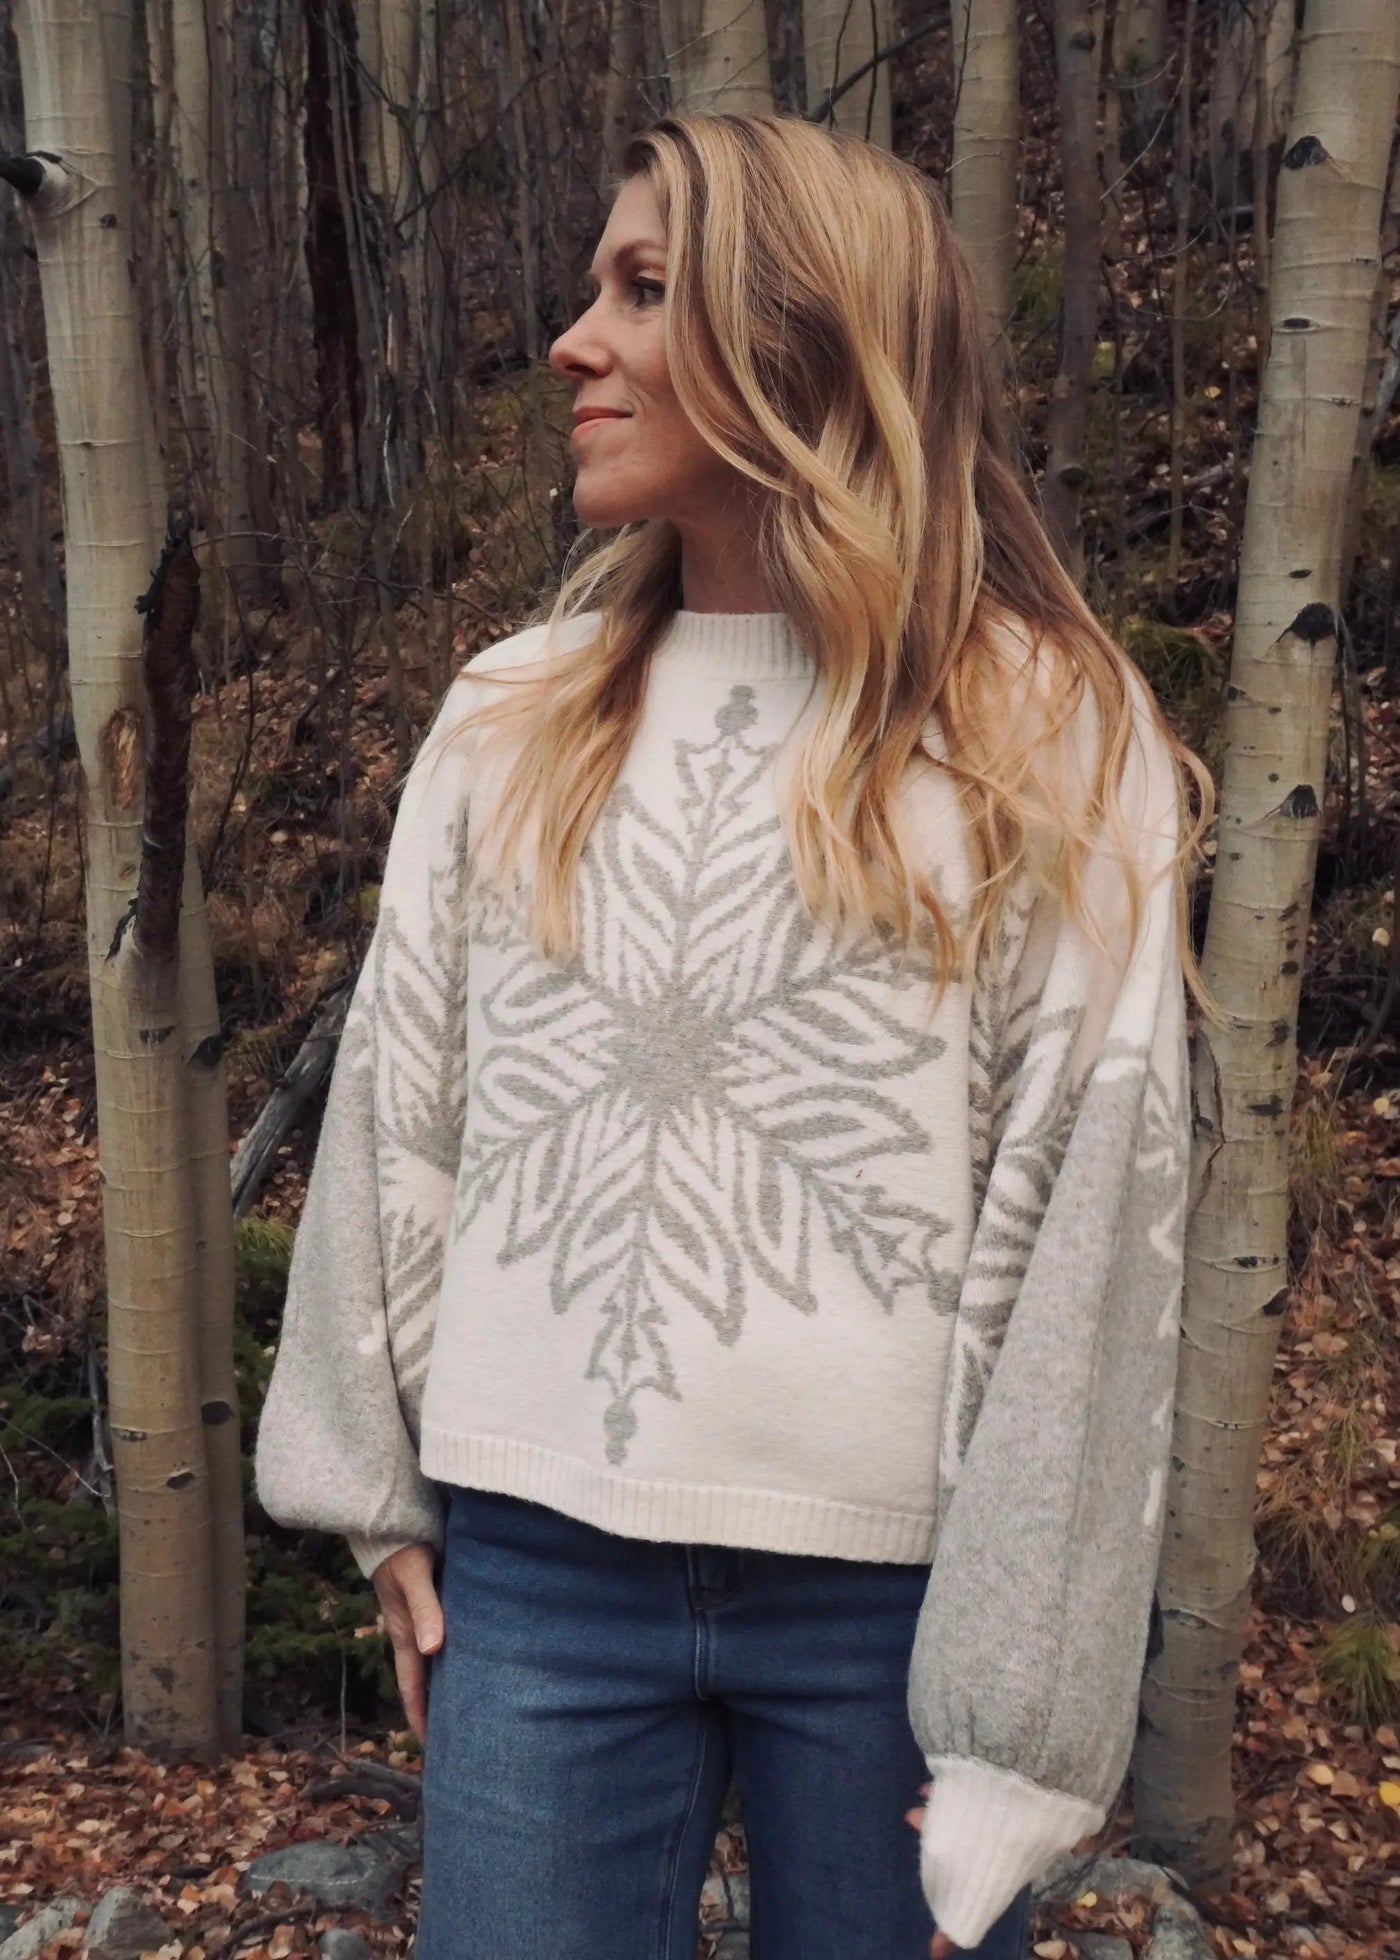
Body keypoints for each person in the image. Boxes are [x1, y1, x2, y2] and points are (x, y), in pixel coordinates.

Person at [254, 112, 1210, 1960]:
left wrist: (1022, 1725)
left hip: (896, 1621)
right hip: (531, 1574)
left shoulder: (1043, 730)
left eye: (642, 291)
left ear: (803, 340)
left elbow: (1095, 1229)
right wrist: (380, 1505)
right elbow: (400, 1106)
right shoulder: (506, 716)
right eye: (591, 288)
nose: (571, 341)